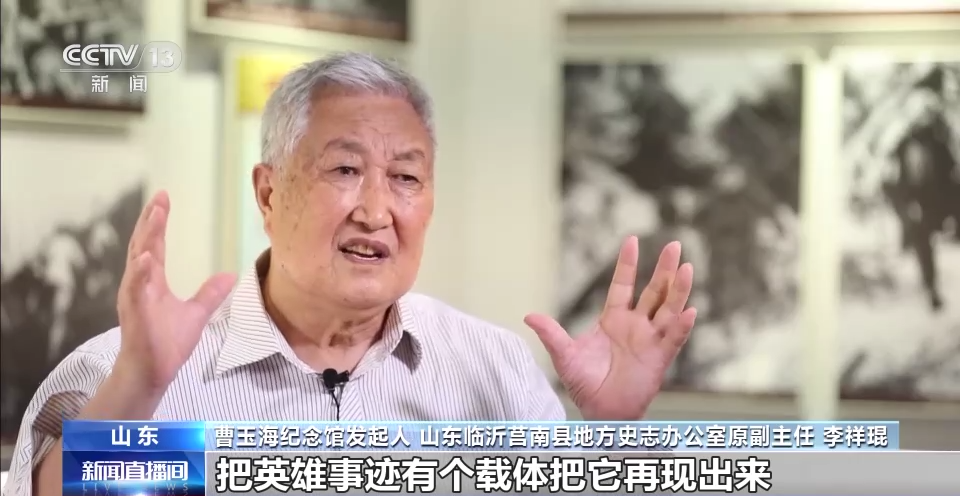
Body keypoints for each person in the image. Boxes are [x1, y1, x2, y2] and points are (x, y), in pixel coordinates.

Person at [4, 52, 697, 496]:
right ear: (269, 194)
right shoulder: (116, 374)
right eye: (344, 169)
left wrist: (613, 433)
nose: (376, 211)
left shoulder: (493, 369)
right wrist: (139, 387)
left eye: (405, 178)